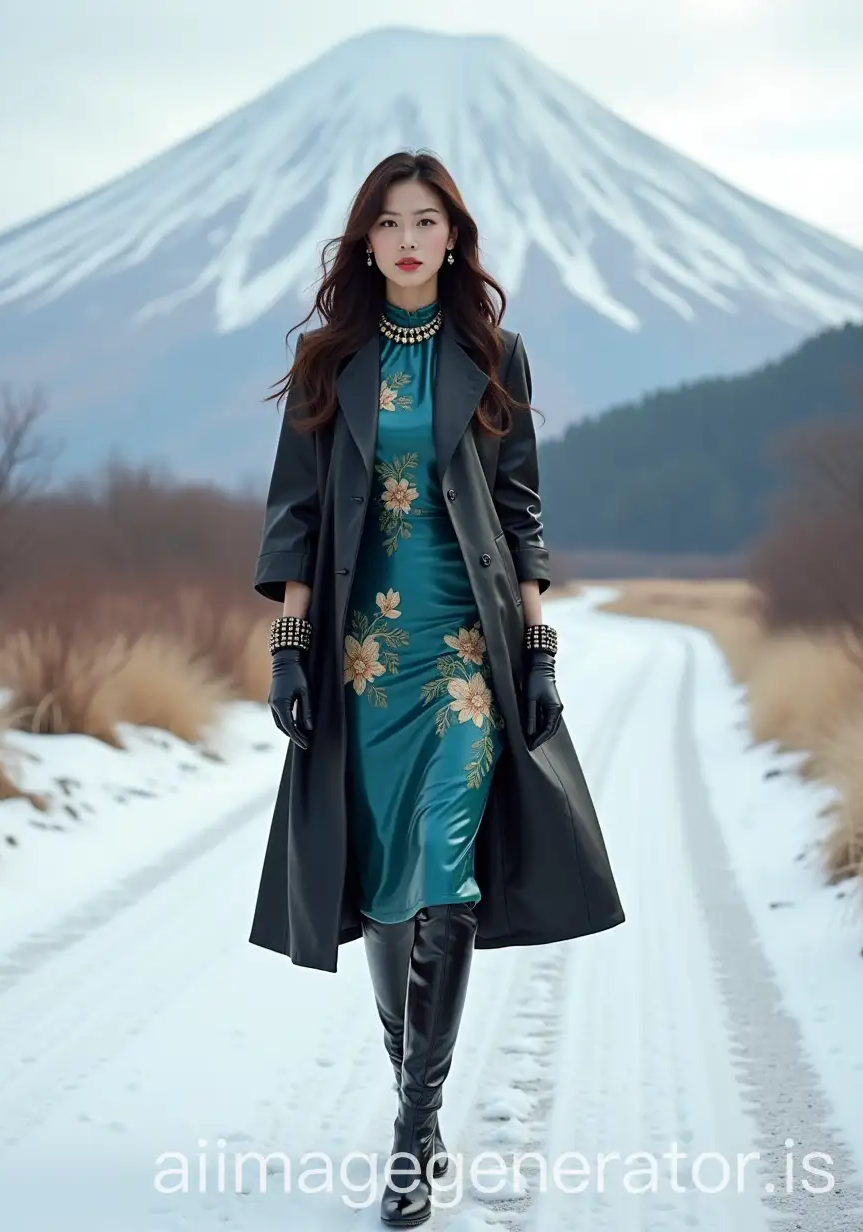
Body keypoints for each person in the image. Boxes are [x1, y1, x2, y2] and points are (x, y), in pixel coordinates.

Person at [249, 150, 624, 1227]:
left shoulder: (494, 354)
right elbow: (296, 517)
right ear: (365, 241)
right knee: (381, 889)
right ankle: (414, 1094)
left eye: (427, 221)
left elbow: (521, 511)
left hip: (466, 653)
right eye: (388, 222)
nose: (408, 237)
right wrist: (289, 641)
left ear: (452, 238)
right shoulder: (331, 363)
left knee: (443, 875)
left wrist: (539, 648)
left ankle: (414, 1130)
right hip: (364, 656)